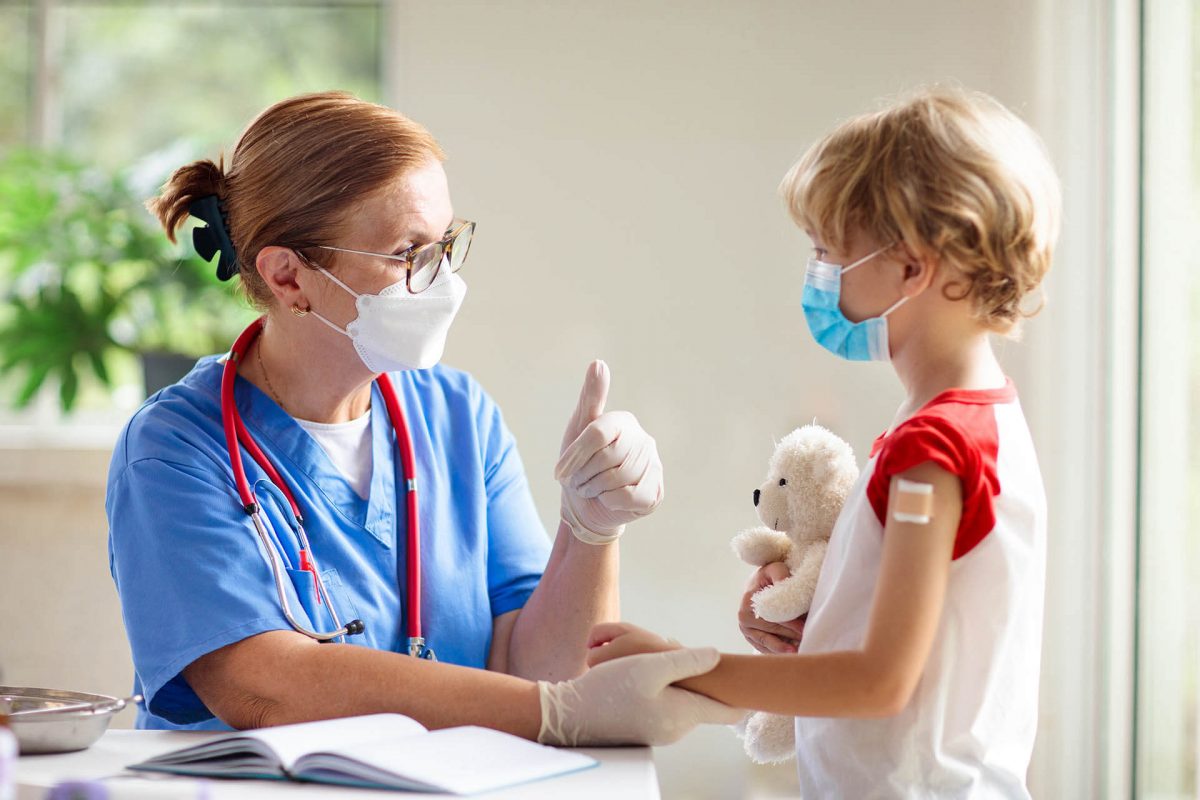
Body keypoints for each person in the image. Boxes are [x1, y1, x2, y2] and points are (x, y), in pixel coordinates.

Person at [106, 91, 739, 745]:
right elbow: (261, 686)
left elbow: (540, 666)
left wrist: (591, 527)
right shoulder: (175, 449)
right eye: (408, 253)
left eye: (445, 245)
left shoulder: (459, 418)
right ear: (290, 277)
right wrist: (551, 714)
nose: (441, 279)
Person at [587, 87, 1061, 797]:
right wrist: (815, 619)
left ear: (912, 265)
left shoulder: (933, 449)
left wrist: (679, 667)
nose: (818, 276)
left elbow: (878, 682)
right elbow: (917, 650)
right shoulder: (970, 423)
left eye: (828, 251)